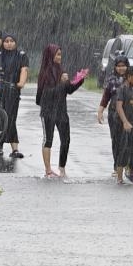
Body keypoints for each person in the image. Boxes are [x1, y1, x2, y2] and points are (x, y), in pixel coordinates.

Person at [35, 44, 88, 178]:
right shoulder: (45, 73)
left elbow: (68, 90)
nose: (60, 57)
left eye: (60, 54)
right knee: (48, 139)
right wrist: (61, 83)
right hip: (48, 110)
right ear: (50, 55)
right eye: (57, 54)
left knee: (66, 139)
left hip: (61, 110)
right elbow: (46, 94)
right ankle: (48, 170)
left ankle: (61, 168)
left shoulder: (60, 70)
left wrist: (79, 80)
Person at [0, 33, 29, 158]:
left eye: (11, 41)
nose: (9, 43)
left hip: (13, 91)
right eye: (6, 41)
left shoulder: (21, 55)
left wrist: (20, 83)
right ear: (3, 43)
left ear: (15, 42)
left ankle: (15, 149)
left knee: (11, 119)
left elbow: (24, 70)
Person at [114, 66, 133, 184]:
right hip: (122, 125)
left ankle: (131, 172)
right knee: (123, 149)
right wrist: (125, 122)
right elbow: (119, 107)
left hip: (132, 124)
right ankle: (119, 177)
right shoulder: (122, 89)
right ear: (129, 77)